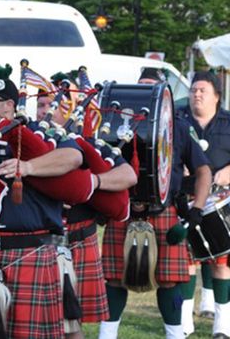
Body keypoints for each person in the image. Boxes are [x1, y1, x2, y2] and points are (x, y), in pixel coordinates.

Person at [0, 65, 86, 338]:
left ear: (9, 105)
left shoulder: (39, 133)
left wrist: (29, 166)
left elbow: (73, 158)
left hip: (26, 252)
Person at [99, 67, 211, 339]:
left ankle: (175, 335)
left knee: (169, 281)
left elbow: (204, 170)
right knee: (114, 279)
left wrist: (195, 212)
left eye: (150, 88)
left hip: (164, 210)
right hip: (123, 210)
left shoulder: (180, 128)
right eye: (141, 88)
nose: (144, 96)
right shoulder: (116, 125)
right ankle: (106, 336)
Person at [37, 75, 138, 339]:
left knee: (72, 326)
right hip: (37, 245)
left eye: (53, 104)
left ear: (71, 109)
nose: (46, 110)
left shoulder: (89, 144)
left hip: (78, 242)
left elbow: (128, 176)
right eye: (41, 105)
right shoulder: (29, 145)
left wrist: (91, 182)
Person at [178, 70, 230, 338]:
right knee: (188, 264)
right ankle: (185, 324)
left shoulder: (229, 122)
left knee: (222, 264)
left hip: (222, 202)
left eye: (203, 91)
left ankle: (222, 325)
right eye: (193, 90)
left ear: (217, 97)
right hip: (186, 202)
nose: (196, 94)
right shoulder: (178, 121)